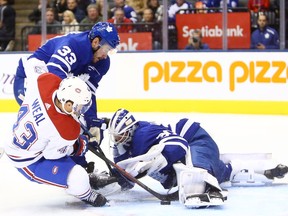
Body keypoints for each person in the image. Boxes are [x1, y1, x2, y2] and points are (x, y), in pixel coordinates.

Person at [107, 108, 288, 207]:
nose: (116, 140)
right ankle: (265, 170)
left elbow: (179, 144)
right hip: (192, 150)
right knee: (221, 173)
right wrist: (106, 182)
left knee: (197, 170)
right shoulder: (124, 147)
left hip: (195, 139)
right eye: (114, 136)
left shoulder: (143, 134)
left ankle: (210, 190)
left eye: (119, 135)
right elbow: (126, 179)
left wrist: (155, 162)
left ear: (130, 130)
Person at [5, 64, 117, 207]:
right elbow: (52, 155)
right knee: (78, 176)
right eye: (79, 106)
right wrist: (81, 145)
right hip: (28, 161)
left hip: (21, 136)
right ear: (68, 104)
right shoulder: (65, 130)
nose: (80, 110)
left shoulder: (45, 81)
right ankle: (87, 194)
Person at [13, 22, 120, 171]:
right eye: (106, 49)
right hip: (33, 78)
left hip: (57, 83)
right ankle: (55, 162)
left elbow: (87, 94)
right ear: (96, 42)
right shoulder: (74, 45)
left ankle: (78, 167)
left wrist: (92, 122)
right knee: (58, 120)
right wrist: (76, 116)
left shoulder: (103, 63)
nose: (105, 55)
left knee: (76, 120)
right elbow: (52, 77)